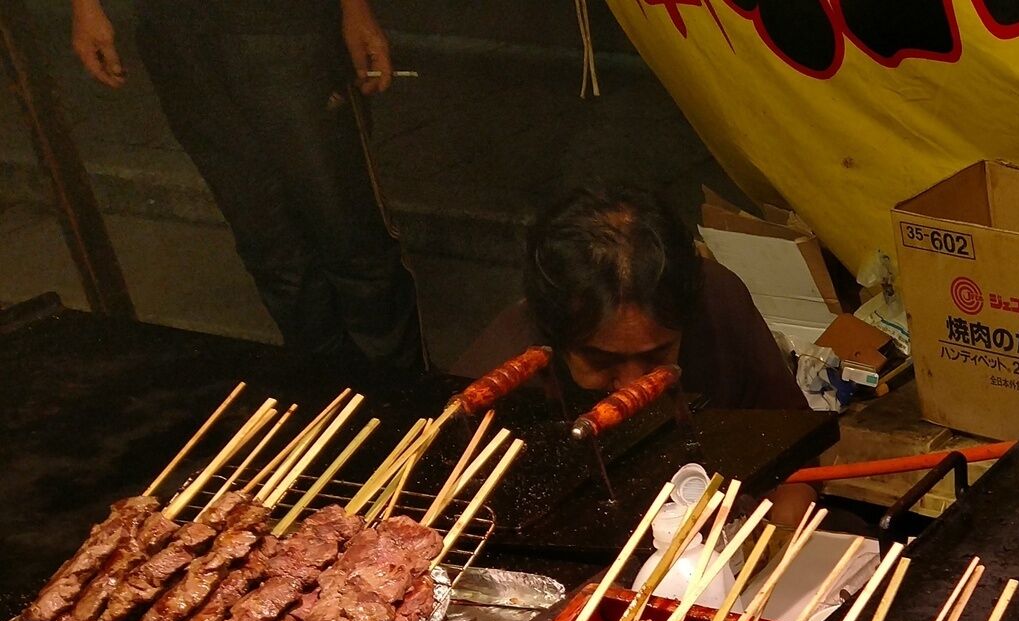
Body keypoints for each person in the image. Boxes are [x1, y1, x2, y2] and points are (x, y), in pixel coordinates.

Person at [68, 0, 426, 372]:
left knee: (351, 237)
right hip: (173, 32)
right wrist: (86, 7)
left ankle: (401, 401)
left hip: (286, 29)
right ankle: (321, 388)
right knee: (269, 246)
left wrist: (355, 9)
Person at [454, 186, 808, 413]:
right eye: (601, 360)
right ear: (555, 337)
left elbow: (794, 454)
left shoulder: (717, 300)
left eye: (656, 355)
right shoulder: (503, 378)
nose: (633, 388)